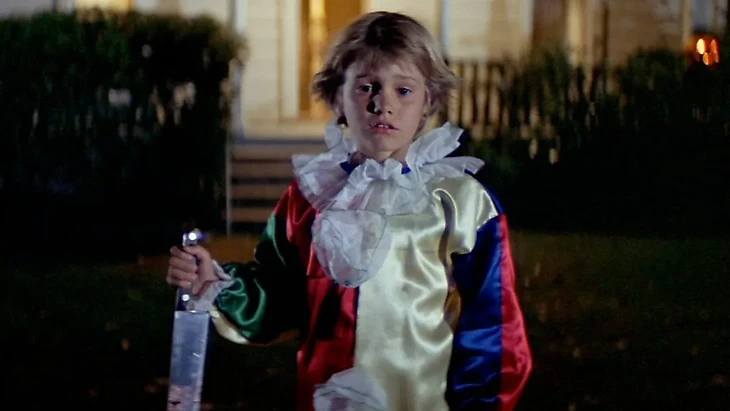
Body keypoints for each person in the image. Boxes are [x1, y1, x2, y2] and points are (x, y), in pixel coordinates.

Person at [166, 11, 532, 411]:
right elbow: (278, 298)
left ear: (428, 101)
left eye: (403, 90)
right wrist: (217, 284)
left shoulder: (461, 204)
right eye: (366, 87)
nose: (383, 104)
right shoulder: (309, 199)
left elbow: (494, 327)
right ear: (338, 97)